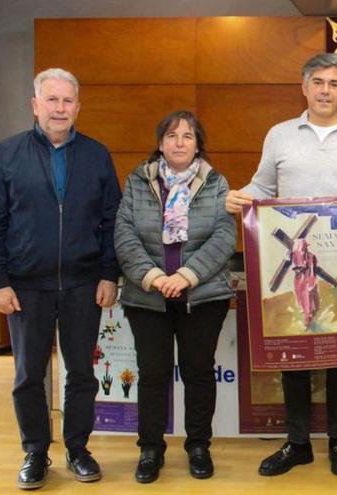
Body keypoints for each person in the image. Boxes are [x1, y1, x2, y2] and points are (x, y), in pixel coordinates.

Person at [225, 53, 337, 477]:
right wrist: (241, 195)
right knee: (292, 350)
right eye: (318, 82)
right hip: (292, 261)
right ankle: (297, 442)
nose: (325, 90)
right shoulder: (279, 135)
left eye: (334, 83)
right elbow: (262, 185)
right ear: (304, 86)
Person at [0, 68, 120, 489]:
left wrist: (109, 273)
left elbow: (111, 221)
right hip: (25, 286)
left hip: (82, 283)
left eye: (67, 101)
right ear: (35, 105)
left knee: (81, 373)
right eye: (52, 100)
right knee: (28, 375)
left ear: (78, 106)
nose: (60, 108)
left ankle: (78, 449)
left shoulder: (97, 155)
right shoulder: (7, 154)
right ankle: (35, 452)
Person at [114, 110, 236, 483]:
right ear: (160, 143)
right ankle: (151, 448)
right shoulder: (138, 180)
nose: (179, 142)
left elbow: (224, 236)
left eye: (187, 136)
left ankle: (198, 445)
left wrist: (185, 276)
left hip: (201, 295)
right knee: (153, 374)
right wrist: (153, 277)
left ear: (198, 143)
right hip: (147, 295)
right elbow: (124, 233)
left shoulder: (216, 183)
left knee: (199, 372)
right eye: (171, 135)